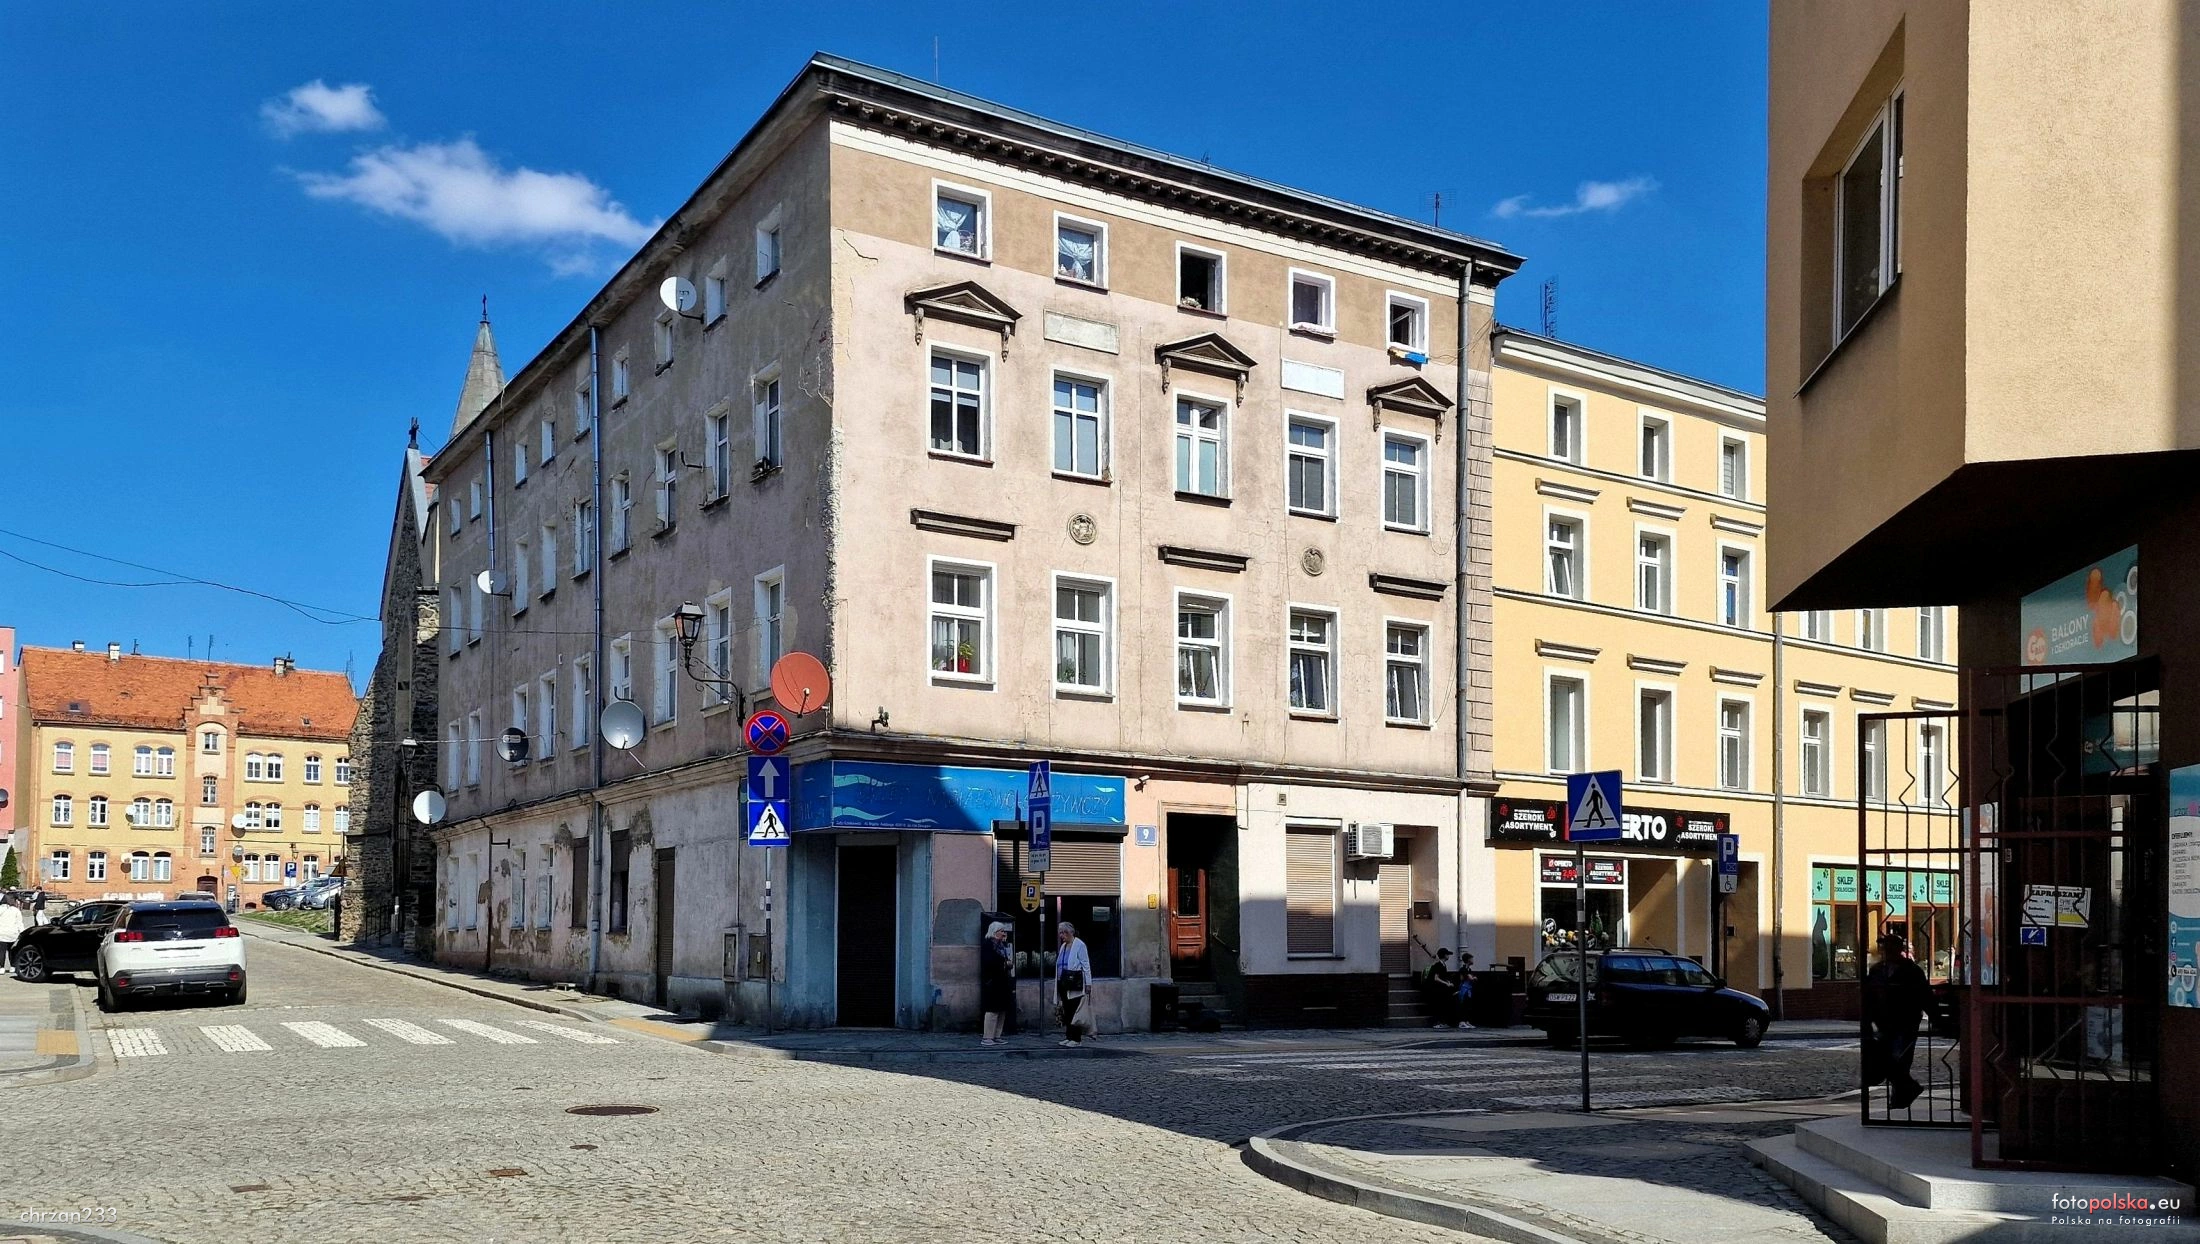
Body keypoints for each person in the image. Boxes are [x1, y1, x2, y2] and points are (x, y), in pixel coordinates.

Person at [1864, 931, 1932, 1109]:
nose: (1885, 951)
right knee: (1888, 1059)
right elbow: (1869, 996)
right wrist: (1867, 1020)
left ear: (1898, 949)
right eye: (1884, 947)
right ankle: (1904, 1092)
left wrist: (1936, 1017)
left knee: (1898, 1059)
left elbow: (1924, 996)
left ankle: (1902, 1095)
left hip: (1905, 1022)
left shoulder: (1912, 971)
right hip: (1883, 1022)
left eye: (1889, 947)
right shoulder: (1877, 970)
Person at [1054, 921, 1093, 1046]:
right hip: (1063, 982)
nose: (1061, 936)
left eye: (1063, 933)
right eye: (1060, 933)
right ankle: (1069, 1036)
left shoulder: (1079, 945)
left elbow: (1086, 964)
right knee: (1066, 1010)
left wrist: (1088, 983)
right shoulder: (1063, 946)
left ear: (1069, 932)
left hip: (1074, 982)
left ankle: (1076, 1039)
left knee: (1074, 1010)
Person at [980, 921, 1015, 1046]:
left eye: (1004, 931)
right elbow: (989, 962)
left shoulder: (1002, 945)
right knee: (992, 1010)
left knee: (1002, 1009)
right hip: (993, 981)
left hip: (1003, 981)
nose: (1004, 933)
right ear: (994, 932)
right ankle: (987, 1036)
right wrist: (1003, 963)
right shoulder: (988, 945)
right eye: (1001, 931)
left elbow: (1007, 959)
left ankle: (997, 1035)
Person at [1423, 949, 1460, 1027]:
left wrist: (1448, 982)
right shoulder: (1438, 965)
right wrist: (1446, 984)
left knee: (1442, 1005)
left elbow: (1442, 977)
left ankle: (1441, 1022)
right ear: (1444, 955)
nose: (1448, 956)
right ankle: (1437, 1023)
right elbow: (1436, 978)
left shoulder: (1443, 965)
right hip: (1436, 989)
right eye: (1447, 954)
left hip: (1440, 989)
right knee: (1438, 1005)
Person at [1454, 951, 1478, 1030]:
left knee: (1468, 1005)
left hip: (1468, 988)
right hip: (1464, 989)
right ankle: (1462, 1021)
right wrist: (1473, 978)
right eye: (1471, 959)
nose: (1473, 960)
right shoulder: (1463, 969)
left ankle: (1466, 1021)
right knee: (1464, 1004)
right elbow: (1470, 978)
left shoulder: (1469, 969)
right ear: (1468, 960)